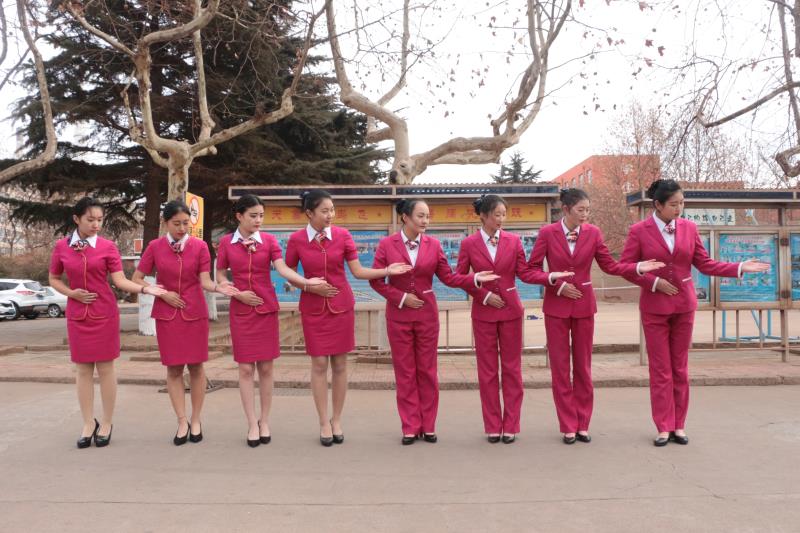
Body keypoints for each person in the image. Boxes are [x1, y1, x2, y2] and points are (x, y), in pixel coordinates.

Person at [619, 179, 770, 446]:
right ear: (658, 205)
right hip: (654, 308)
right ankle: (663, 426)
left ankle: (679, 425)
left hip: (684, 306)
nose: (679, 209)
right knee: (661, 369)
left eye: (682, 203)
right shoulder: (639, 231)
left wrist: (738, 267)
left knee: (680, 368)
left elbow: (705, 264)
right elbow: (626, 267)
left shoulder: (689, 228)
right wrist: (653, 282)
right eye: (674, 204)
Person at [528, 188, 665, 444]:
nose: (585, 215)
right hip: (556, 308)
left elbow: (610, 266)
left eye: (588, 210)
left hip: (584, 306)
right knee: (560, 368)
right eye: (580, 210)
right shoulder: (547, 233)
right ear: (566, 209)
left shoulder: (593, 233)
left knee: (583, 367)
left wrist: (637, 266)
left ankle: (582, 423)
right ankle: (568, 425)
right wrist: (554, 282)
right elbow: (531, 270)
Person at [284, 189, 411, 446]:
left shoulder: (343, 235)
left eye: (332, 210)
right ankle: (323, 422)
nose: (330, 215)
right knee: (319, 365)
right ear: (309, 213)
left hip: (341, 307)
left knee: (340, 365)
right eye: (324, 211)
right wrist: (309, 285)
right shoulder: (296, 239)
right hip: (313, 309)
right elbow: (288, 273)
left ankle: (337, 420)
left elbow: (358, 271)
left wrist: (386, 270)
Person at [370, 198, 499, 445]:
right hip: (398, 317)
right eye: (420, 216)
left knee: (427, 371)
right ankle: (410, 426)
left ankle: (428, 425)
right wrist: (401, 298)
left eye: (428, 216)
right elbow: (376, 280)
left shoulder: (434, 244)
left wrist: (474, 279)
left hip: (427, 316)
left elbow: (449, 278)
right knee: (405, 372)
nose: (425, 221)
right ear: (405, 217)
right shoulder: (387, 244)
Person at [456, 194, 574, 444]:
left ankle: (510, 425)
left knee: (512, 369)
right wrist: (484, 296)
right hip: (483, 313)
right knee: (487, 371)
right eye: (496, 215)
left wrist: (551, 278)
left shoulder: (514, 241)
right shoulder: (468, 244)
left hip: (511, 311)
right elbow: (460, 278)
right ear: (483, 216)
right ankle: (492, 426)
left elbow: (525, 274)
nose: (501, 219)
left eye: (504, 214)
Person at [49, 196, 166, 448]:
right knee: (82, 369)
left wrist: (145, 289)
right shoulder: (61, 247)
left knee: (105, 368)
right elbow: (54, 278)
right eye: (90, 219)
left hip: (104, 312)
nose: (96, 225)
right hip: (77, 314)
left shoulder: (108, 247)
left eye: (100, 220)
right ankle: (87, 423)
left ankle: (106, 422)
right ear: (76, 219)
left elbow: (120, 280)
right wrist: (71, 293)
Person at [216, 194, 325, 447]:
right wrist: (232, 290)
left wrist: (306, 282)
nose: (258, 220)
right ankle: (251, 423)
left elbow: (283, 268)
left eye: (261, 216)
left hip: (265, 308)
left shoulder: (269, 241)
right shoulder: (226, 243)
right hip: (241, 310)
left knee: (266, 368)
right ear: (239, 216)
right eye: (253, 216)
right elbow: (221, 274)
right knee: (245, 369)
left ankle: (264, 421)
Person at [132, 200, 238, 446]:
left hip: (194, 313)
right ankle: (182, 421)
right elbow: (137, 278)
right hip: (167, 314)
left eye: (185, 223)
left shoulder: (200, 246)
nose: (182, 228)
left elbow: (205, 281)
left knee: (197, 367)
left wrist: (219, 287)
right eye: (176, 224)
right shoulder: (155, 247)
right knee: (174, 369)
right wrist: (160, 292)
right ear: (165, 223)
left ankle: (196, 419)